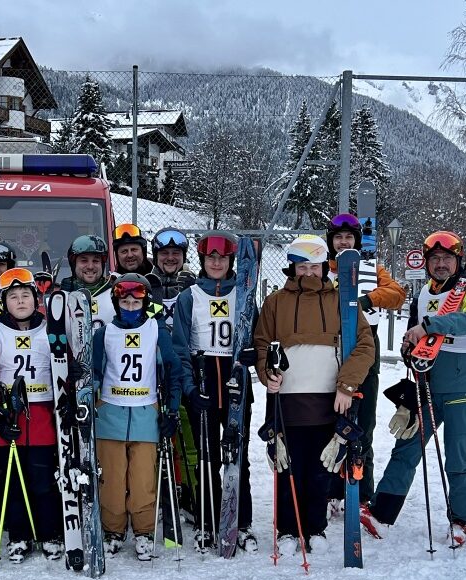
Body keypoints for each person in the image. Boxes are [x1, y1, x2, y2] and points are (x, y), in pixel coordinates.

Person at [362, 231, 466, 548]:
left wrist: (432, 326)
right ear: (428, 262)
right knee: (405, 447)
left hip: (463, 387)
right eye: (435, 259)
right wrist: (410, 348)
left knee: (457, 457)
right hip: (428, 386)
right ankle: (381, 512)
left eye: (448, 258)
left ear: (458, 261)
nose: (442, 264)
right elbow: (413, 336)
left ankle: (461, 521)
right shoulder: (422, 296)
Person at [253, 234, 375, 555]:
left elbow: (364, 345)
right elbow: (263, 343)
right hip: (287, 399)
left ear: (325, 267)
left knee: (323, 467)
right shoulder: (276, 303)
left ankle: (315, 527)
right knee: (288, 464)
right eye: (302, 266)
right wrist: (268, 374)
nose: (309, 273)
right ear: (292, 268)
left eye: (315, 267)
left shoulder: (341, 301)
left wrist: (347, 385)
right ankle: (288, 529)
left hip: (329, 399)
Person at [171, 232, 257, 552]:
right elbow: (180, 348)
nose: (216, 263)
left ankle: (241, 521)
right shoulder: (189, 297)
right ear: (203, 261)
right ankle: (208, 520)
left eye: (222, 258)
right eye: (211, 258)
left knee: (238, 457)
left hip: (235, 379)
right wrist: (190, 389)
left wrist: (250, 353)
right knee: (205, 456)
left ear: (231, 260)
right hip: (203, 377)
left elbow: (255, 337)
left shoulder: (245, 294)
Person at [93, 274, 182, 560]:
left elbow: (173, 371)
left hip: (147, 411)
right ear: (116, 303)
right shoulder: (104, 333)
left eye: (136, 301)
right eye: (124, 301)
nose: (130, 306)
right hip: (110, 411)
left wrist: (171, 408)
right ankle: (113, 529)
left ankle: (144, 531)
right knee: (112, 478)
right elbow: (93, 373)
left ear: (144, 303)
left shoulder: (157, 330)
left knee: (143, 477)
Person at [0, 268, 61, 563]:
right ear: (4, 302)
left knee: (42, 478)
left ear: (36, 299)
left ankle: (49, 533)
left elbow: (62, 367)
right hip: (9, 416)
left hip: (42, 415)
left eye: (26, 295)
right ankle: (19, 535)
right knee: (13, 479)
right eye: (13, 296)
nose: (20, 301)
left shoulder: (50, 328)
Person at [325, 213, 406, 509]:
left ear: (357, 240)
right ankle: (332, 489)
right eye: (338, 238)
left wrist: (367, 299)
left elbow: (397, 294)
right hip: (330, 344)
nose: (343, 242)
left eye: (349, 237)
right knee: (331, 416)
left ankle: (361, 490)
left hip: (364, 342)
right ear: (331, 242)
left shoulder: (371, 269)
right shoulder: (323, 268)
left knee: (363, 418)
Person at [58, 234, 114, 327]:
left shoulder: (115, 295)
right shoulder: (60, 298)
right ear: (74, 264)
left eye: (96, 261)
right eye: (84, 261)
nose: (90, 266)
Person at [146, 227, 197, 327]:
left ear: (184, 257)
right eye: (164, 253)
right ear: (156, 257)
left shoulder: (196, 287)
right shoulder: (146, 286)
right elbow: (144, 322)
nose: (170, 258)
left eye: (176, 253)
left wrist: (193, 294)